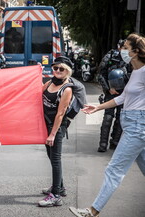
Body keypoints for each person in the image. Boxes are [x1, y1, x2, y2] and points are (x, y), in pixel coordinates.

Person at [69, 33, 145, 217]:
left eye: (125, 48)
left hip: (138, 126)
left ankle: (92, 211)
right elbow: (123, 97)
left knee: (114, 169)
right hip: (131, 123)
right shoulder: (134, 72)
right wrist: (98, 107)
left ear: (135, 52)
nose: (122, 51)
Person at [38, 56, 73, 207]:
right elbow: (36, 93)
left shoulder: (67, 89)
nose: (57, 71)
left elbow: (60, 114)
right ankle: (60, 187)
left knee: (56, 160)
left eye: (61, 69)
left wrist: (52, 134)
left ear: (67, 72)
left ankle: (56, 196)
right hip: (46, 124)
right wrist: (35, 75)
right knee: (51, 158)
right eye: (55, 68)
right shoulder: (49, 83)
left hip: (57, 127)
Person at [96, 39, 131, 152]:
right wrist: (108, 88)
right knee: (108, 117)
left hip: (125, 93)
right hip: (110, 92)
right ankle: (103, 144)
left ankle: (115, 143)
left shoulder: (131, 59)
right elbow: (101, 73)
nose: (124, 50)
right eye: (123, 47)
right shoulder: (110, 56)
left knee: (121, 119)